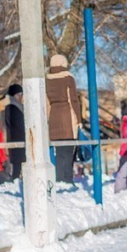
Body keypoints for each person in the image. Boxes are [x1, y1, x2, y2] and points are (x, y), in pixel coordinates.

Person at [46, 54, 81, 183]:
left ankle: (59, 179)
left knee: (59, 152)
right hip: (67, 115)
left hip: (53, 116)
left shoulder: (47, 79)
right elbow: (73, 100)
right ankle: (67, 179)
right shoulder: (68, 77)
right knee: (69, 150)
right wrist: (79, 119)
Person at [3, 84, 26, 180]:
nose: (20, 97)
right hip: (16, 140)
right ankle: (15, 183)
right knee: (17, 167)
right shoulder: (12, 108)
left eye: (21, 94)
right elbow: (19, 125)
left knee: (19, 166)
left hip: (19, 140)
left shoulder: (18, 107)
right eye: (18, 94)